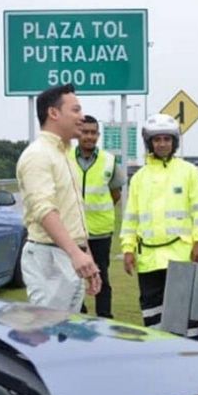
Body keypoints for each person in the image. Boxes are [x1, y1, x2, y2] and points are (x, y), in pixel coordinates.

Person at [119, 114, 198, 336]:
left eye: (167, 139)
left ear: (174, 142)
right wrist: (127, 249)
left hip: (181, 255)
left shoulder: (189, 172)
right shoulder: (140, 177)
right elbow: (131, 216)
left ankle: (194, 359)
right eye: (157, 139)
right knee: (153, 318)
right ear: (149, 142)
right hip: (149, 260)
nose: (162, 144)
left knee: (187, 316)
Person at [16, 83, 101, 312]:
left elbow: (73, 213)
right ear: (53, 113)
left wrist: (86, 256)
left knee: (66, 336)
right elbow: (44, 210)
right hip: (49, 257)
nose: (82, 117)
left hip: (66, 254)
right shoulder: (38, 155)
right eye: (75, 110)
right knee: (50, 336)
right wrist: (76, 253)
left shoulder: (63, 155)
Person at [70, 115, 124, 318]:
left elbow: (115, 194)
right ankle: (78, 315)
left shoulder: (109, 161)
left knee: (101, 275)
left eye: (93, 132)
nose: (89, 137)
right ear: (78, 133)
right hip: (72, 231)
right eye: (85, 132)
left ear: (98, 135)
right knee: (73, 277)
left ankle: (104, 317)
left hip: (100, 231)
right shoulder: (65, 157)